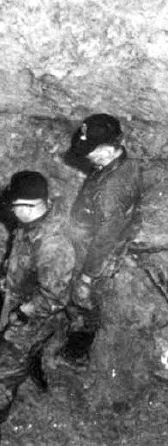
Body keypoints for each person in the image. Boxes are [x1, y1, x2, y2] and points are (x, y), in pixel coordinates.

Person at [0, 171, 75, 444]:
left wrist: (22, 313)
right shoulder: (29, 224)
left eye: (13, 206)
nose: (10, 211)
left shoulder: (54, 244)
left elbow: (55, 298)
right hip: (12, 298)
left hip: (33, 316)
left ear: (29, 206)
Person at [58, 113, 143, 367]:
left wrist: (87, 276)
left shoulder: (112, 191)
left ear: (108, 149)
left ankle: (76, 352)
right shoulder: (119, 164)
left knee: (82, 298)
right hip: (91, 232)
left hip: (95, 249)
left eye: (90, 152)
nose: (85, 157)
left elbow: (106, 239)